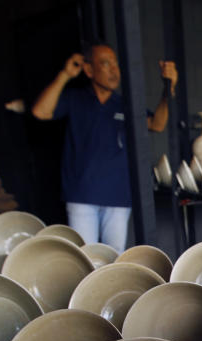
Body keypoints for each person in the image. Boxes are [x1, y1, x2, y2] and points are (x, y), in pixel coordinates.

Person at [32, 44, 178, 253]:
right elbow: (40, 112)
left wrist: (167, 90)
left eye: (115, 64)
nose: (114, 70)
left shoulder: (125, 104)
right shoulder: (76, 98)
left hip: (118, 195)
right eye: (105, 63)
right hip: (82, 195)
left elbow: (157, 124)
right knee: (82, 256)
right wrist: (65, 75)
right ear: (89, 70)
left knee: (114, 255)